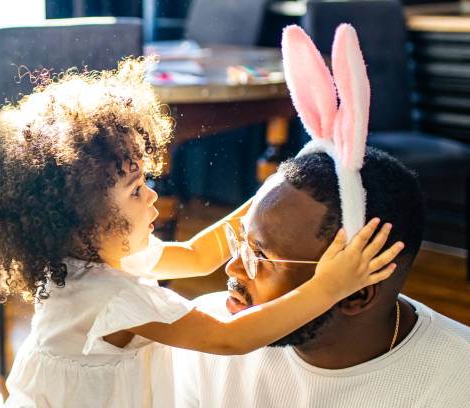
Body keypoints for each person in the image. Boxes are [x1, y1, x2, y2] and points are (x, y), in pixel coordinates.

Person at [0, 58, 401, 407]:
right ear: (83, 220)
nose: (152, 198)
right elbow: (231, 338)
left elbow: (200, 255)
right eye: (135, 190)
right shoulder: (110, 298)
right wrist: (329, 286)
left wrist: (278, 185)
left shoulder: (99, 254)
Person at [173, 24, 470, 408]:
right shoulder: (208, 336)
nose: (233, 270)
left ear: (357, 292)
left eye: (260, 257)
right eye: (240, 243)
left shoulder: (454, 386)